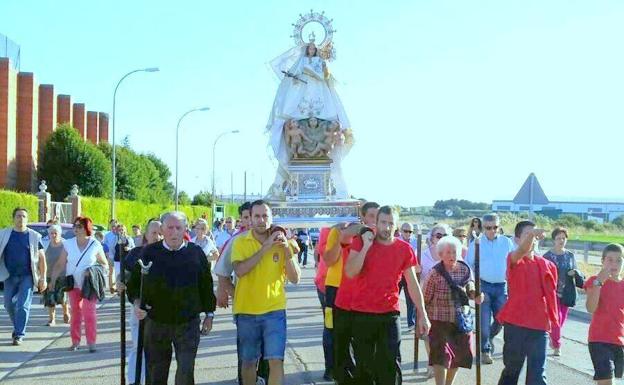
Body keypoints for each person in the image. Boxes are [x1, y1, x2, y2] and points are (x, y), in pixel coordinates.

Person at [343, 206, 430, 384]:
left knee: (390, 366)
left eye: (391, 223)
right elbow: (350, 272)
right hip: (362, 314)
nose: (387, 227)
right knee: (364, 367)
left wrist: (422, 314)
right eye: (383, 222)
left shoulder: (404, 249)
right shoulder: (361, 241)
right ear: (376, 222)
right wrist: (366, 247)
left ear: (396, 225)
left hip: (389, 314)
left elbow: (412, 283)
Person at [127, 211, 216, 385]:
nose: (174, 232)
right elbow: (134, 286)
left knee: (185, 371)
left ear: (185, 230)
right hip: (156, 323)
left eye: (178, 228)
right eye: (170, 227)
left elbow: (206, 286)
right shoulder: (149, 253)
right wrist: (137, 304)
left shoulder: (195, 254)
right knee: (155, 373)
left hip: (188, 323)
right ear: (162, 229)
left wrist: (209, 315)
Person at [231, 200, 301, 385]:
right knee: (248, 362)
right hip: (246, 311)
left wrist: (286, 249)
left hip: (274, 311)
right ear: (250, 219)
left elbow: (295, 279)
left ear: (271, 218)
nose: (261, 220)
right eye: (257, 216)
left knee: (276, 360)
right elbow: (240, 270)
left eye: (265, 216)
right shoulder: (240, 242)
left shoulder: (283, 242)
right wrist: (265, 248)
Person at [496, 220, 559, 385]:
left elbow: (551, 299)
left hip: (539, 326)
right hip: (516, 324)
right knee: (512, 371)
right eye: (527, 234)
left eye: (535, 234)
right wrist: (532, 234)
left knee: (537, 376)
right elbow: (523, 249)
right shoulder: (513, 259)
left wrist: (554, 327)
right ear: (516, 239)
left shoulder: (548, 265)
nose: (533, 238)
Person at [328, 201, 379, 384]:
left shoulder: (382, 240)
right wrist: (364, 230)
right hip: (345, 302)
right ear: (363, 216)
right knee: (341, 351)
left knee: (365, 353)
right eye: (371, 216)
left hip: (368, 306)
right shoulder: (354, 233)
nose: (375, 220)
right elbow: (346, 234)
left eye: (378, 216)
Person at [424, 235, 483, 385]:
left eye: (454, 252)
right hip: (439, 320)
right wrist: (421, 318)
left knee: (458, 356)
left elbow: (469, 286)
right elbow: (425, 298)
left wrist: (475, 294)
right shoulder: (434, 273)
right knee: (441, 357)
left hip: (460, 319)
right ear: (441, 254)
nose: (452, 255)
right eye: (448, 252)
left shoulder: (464, 269)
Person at [49, 216, 109, 352]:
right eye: (74, 226)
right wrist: (52, 281)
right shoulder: (68, 244)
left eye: (79, 226)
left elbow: (104, 264)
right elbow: (60, 264)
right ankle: (75, 341)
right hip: (73, 283)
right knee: (75, 312)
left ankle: (91, 343)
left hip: (89, 284)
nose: (76, 229)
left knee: (89, 312)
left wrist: (92, 270)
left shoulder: (95, 244)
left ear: (86, 228)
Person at [117, 219, 162, 385]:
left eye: (160, 233)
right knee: (138, 346)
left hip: (161, 310)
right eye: (154, 233)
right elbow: (124, 275)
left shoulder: (169, 254)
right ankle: (134, 381)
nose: (157, 237)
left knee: (156, 350)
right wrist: (120, 282)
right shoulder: (136, 253)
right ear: (146, 234)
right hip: (137, 306)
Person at [465, 213, 514, 364]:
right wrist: (472, 284)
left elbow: (514, 262)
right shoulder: (476, 244)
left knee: (501, 320)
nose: (492, 230)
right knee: (483, 322)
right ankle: (485, 349)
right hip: (484, 286)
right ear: (483, 227)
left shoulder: (507, 242)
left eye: (495, 227)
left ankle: (489, 337)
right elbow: (469, 265)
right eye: (488, 228)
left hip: (502, 287)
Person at [0, 207, 47, 345]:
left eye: (24, 216)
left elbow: (42, 258)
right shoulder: (4, 234)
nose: (21, 219)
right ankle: (18, 326)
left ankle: (19, 334)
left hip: (27, 276)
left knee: (23, 306)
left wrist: (43, 278)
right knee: (8, 305)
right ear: (13, 218)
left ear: (27, 219)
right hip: (9, 276)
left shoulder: (33, 236)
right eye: (18, 216)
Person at [584, 243, 624, 385]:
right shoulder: (594, 281)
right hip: (599, 340)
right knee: (607, 381)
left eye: (619, 260)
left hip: (619, 341)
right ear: (602, 261)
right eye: (610, 259)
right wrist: (599, 282)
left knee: (611, 380)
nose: (614, 264)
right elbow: (591, 308)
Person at [543, 227, 584, 357]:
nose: (561, 240)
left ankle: (552, 335)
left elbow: (577, 271)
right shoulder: (547, 256)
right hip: (552, 293)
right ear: (553, 240)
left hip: (567, 292)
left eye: (563, 238)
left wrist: (575, 273)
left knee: (561, 320)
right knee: (557, 319)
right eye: (558, 238)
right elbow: (543, 275)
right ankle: (557, 345)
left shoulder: (570, 255)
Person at [43, 224, 70, 326]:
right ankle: (51, 319)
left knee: (62, 297)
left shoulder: (65, 244)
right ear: (49, 234)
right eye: (51, 233)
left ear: (59, 234)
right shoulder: (46, 244)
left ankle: (65, 312)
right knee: (50, 298)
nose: (53, 235)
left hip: (63, 275)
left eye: (55, 233)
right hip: (48, 275)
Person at [399, 222, 419, 331]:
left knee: (410, 299)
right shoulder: (396, 240)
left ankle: (411, 323)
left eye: (410, 231)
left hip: (409, 273)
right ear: (401, 231)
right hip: (397, 273)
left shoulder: (416, 242)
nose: (408, 233)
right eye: (406, 231)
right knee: (393, 297)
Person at [104, 219, 119, 293]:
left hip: (119, 256)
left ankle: (117, 286)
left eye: (114, 225)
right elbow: (105, 245)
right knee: (111, 271)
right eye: (112, 226)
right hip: (111, 255)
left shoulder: (119, 234)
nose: (113, 227)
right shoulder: (107, 235)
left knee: (118, 271)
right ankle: (111, 287)